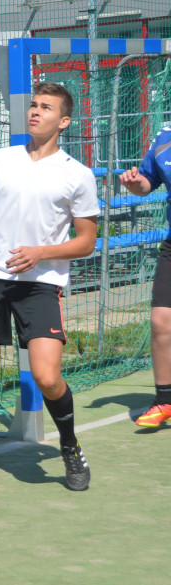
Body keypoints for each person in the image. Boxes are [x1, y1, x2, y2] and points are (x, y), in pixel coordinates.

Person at [0, 82, 99, 493]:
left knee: (48, 378)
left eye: (45, 107)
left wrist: (41, 252)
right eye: (32, 104)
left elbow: (86, 241)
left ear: (63, 121)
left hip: (40, 285)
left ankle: (69, 447)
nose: (35, 111)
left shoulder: (77, 175)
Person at [119, 123, 171, 428]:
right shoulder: (164, 136)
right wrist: (133, 183)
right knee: (160, 320)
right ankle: (164, 400)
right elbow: (146, 183)